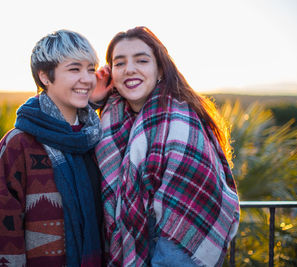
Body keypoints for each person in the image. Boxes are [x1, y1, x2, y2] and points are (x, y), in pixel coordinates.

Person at [93, 26, 240, 266]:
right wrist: (92, 100)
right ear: (112, 75)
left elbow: (184, 220)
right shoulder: (113, 119)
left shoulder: (182, 121)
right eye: (119, 64)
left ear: (159, 68)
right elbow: (73, 141)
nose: (129, 69)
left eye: (141, 60)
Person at [0, 30, 102, 267]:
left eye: (91, 69)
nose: (87, 79)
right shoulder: (18, 144)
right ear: (45, 76)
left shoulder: (95, 138)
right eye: (74, 69)